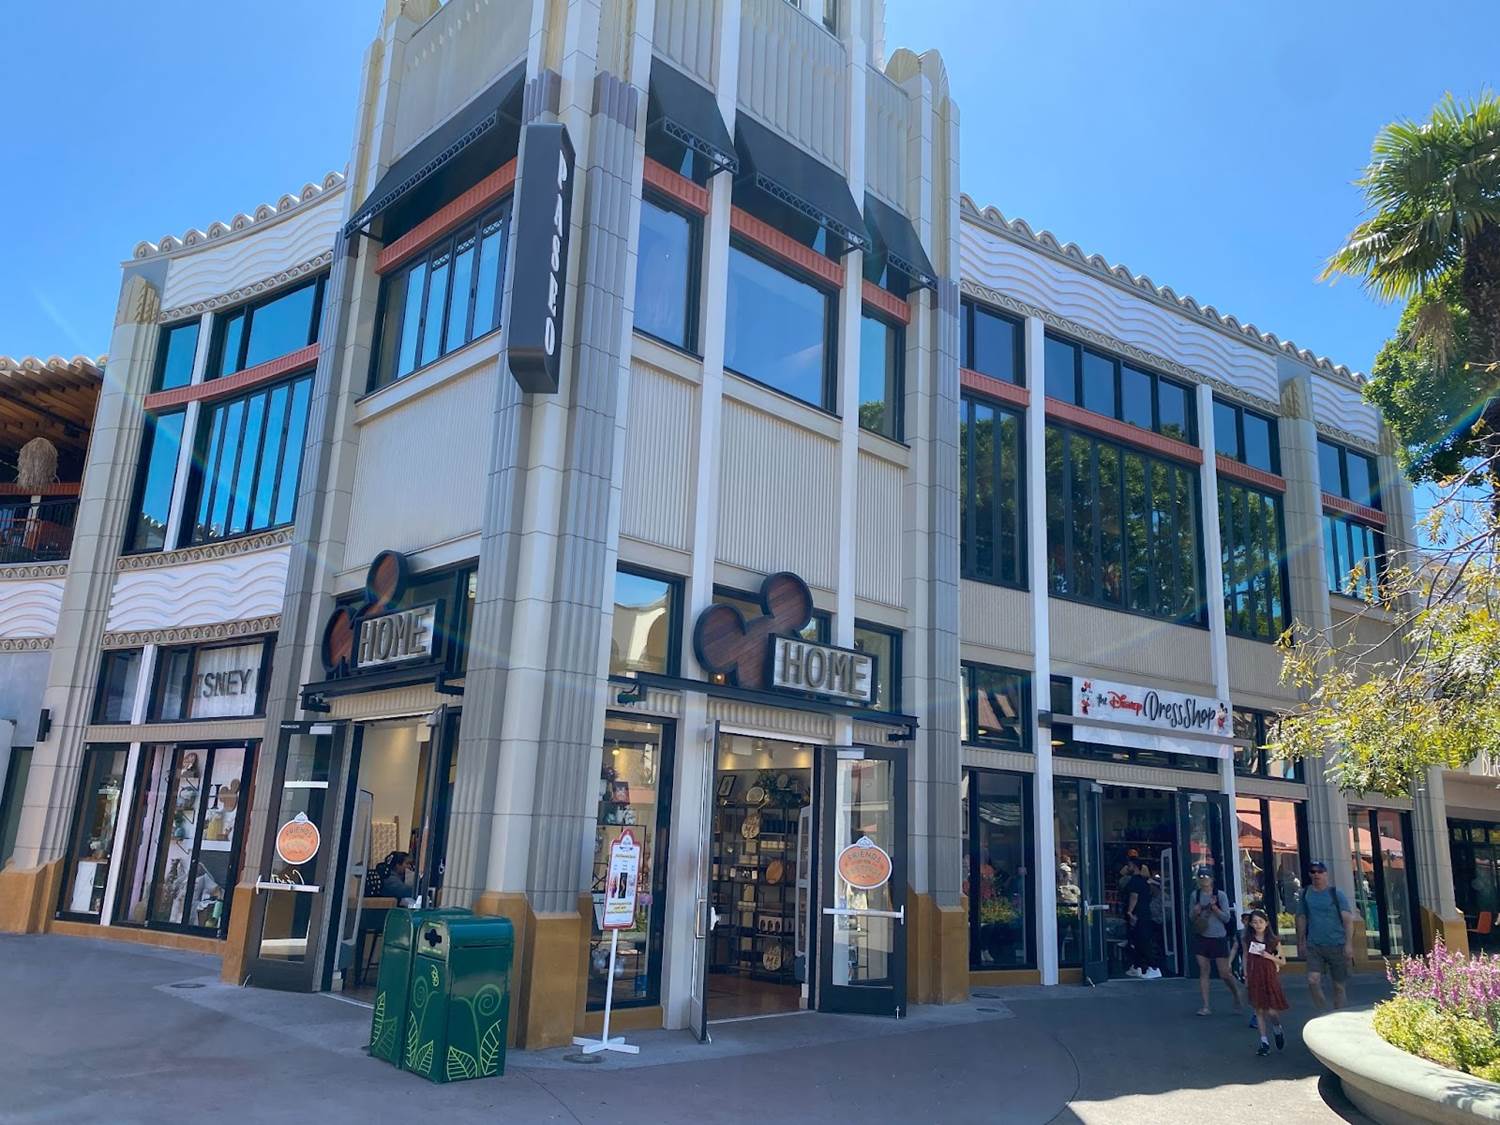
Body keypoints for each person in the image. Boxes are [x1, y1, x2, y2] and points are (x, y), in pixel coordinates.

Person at [1295, 860, 1357, 1010]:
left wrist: (1349, 944)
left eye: (1320, 871)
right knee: (1313, 980)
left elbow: (1348, 920)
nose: (1316, 874)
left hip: (1337, 944)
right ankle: (1323, 1012)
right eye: (1313, 871)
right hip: (1314, 945)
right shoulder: (1306, 894)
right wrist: (1301, 941)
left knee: (1339, 986)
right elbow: (1301, 917)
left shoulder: (1335, 894)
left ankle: (1339, 1013)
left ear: (1326, 874)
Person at [1190, 868, 1244, 1015]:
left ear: (1212, 879)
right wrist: (1195, 912)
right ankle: (1206, 1006)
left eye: (1206, 876)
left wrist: (1214, 908)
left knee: (1224, 973)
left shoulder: (1220, 895)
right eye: (1201, 877)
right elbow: (1191, 918)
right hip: (1201, 936)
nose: (1204, 879)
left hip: (1218, 936)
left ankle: (1236, 993)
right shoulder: (1195, 895)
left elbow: (1226, 918)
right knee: (1204, 970)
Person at [1244, 908, 1290, 1056]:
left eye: (1260, 922)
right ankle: (1264, 1042)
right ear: (1251, 924)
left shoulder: (1273, 941)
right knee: (1258, 1009)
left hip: (1269, 976)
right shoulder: (1248, 940)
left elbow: (1282, 961)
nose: (1258, 925)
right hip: (1255, 976)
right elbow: (1245, 956)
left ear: (1266, 923)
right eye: (1254, 922)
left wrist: (1269, 956)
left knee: (1271, 1010)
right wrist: (1246, 974)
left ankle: (1277, 1028)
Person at [1123, 858, 1161, 979]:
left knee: (1143, 940)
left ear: (1134, 866)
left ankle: (1154, 967)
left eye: (1129, 865)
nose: (1127, 868)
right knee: (1137, 940)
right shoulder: (1146, 881)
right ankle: (1137, 966)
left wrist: (1130, 912)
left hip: (1138, 914)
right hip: (1145, 912)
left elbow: (1134, 897)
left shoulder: (1134, 881)